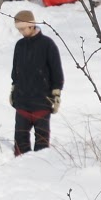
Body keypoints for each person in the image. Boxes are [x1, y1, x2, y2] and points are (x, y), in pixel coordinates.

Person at [10, 9, 64, 155]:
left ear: (32, 25)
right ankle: (19, 171)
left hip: (42, 101)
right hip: (22, 102)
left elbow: (56, 72)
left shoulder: (48, 44)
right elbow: (16, 71)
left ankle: (40, 172)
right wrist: (13, 89)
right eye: (18, 29)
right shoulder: (19, 46)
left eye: (23, 28)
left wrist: (56, 93)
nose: (21, 32)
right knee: (20, 143)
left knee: (42, 144)